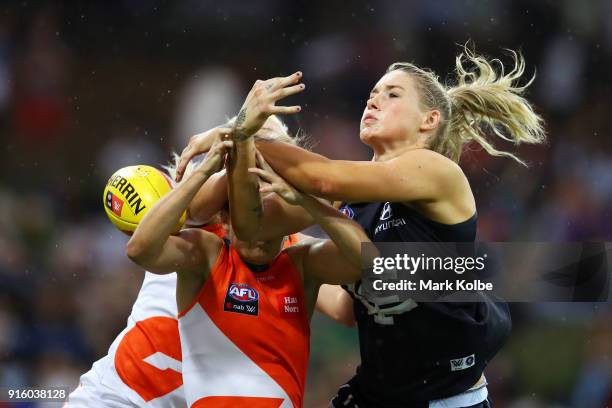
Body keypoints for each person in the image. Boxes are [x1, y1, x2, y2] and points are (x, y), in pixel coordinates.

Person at [177, 46, 546, 407]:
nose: (373, 101)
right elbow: (256, 232)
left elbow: (320, 179)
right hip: (380, 394)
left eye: (392, 94)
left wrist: (245, 133)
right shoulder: (353, 194)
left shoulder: (435, 171)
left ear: (429, 121)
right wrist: (239, 152)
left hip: (448, 397)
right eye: (372, 94)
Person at [125, 116, 371, 408]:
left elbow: (366, 273)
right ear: (225, 218)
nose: (262, 193)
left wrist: (311, 201)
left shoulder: (300, 258)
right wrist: (219, 156)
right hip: (124, 393)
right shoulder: (202, 245)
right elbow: (140, 249)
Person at [66, 119, 311, 408]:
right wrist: (241, 143)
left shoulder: (293, 250)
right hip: (118, 397)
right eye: (256, 151)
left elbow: (359, 299)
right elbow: (192, 207)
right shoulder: (194, 217)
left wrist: (375, 216)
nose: (265, 170)